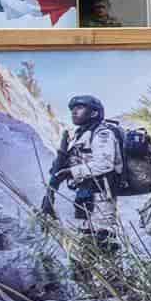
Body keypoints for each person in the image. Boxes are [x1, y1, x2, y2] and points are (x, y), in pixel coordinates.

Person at [45, 95, 122, 256]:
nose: (74, 112)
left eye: (80, 108)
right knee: (85, 242)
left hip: (101, 196)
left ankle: (115, 280)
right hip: (84, 196)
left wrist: (71, 172)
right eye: (72, 109)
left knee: (103, 241)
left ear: (94, 113)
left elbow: (105, 163)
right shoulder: (78, 136)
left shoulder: (102, 133)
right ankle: (85, 278)